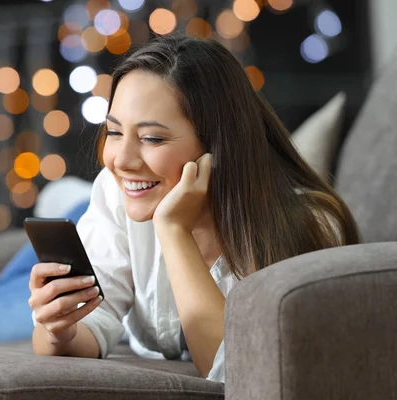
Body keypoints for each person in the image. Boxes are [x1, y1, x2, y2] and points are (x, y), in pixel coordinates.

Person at [27, 33, 361, 383]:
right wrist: (58, 330)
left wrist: (173, 231)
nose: (121, 160)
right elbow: (89, 323)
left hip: (147, 195)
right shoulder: (114, 191)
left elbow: (236, 372)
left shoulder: (310, 226)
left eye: (152, 138)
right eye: (113, 132)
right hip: (121, 203)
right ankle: (62, 196)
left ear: (218, 143)